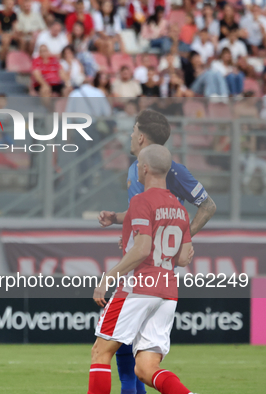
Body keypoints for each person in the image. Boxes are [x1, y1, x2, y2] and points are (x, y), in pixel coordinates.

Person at [97, 109, 217, 394]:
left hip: (146, 268)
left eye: (133, 128)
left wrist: (178, 240)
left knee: (112, 351)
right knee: (139, 361)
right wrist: (118, 218)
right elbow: (148, 211)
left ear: (140, 136)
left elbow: (208, 206)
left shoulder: (169, 168)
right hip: (151, 267)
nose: (129, 134)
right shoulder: (140, 166)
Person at [88, 144, 195, 394]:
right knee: (146, 369)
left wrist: (107, 278)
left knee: (101, 352)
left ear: (144, 168)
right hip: (167, 291)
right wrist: (118, 220)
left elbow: (143, 248)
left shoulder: (141, 200)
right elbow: (182, 259)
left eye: (138, 164)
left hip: (140, 286)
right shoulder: (180, 209)